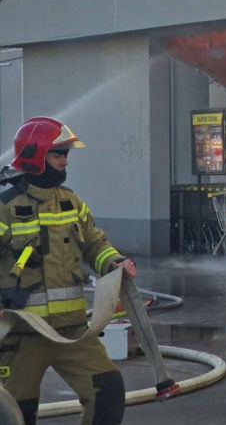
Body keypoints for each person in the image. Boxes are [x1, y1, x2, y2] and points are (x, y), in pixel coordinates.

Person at [0, 117, 137, 425]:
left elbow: (95, 244)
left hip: (73, 332)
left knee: (108, 391)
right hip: (23, 335)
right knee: (16, 414)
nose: (64, 161)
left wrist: (114, 263)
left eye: (66, 154)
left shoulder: (71, 201)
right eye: (58, 154)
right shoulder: (5, 206)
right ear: (36, 156)